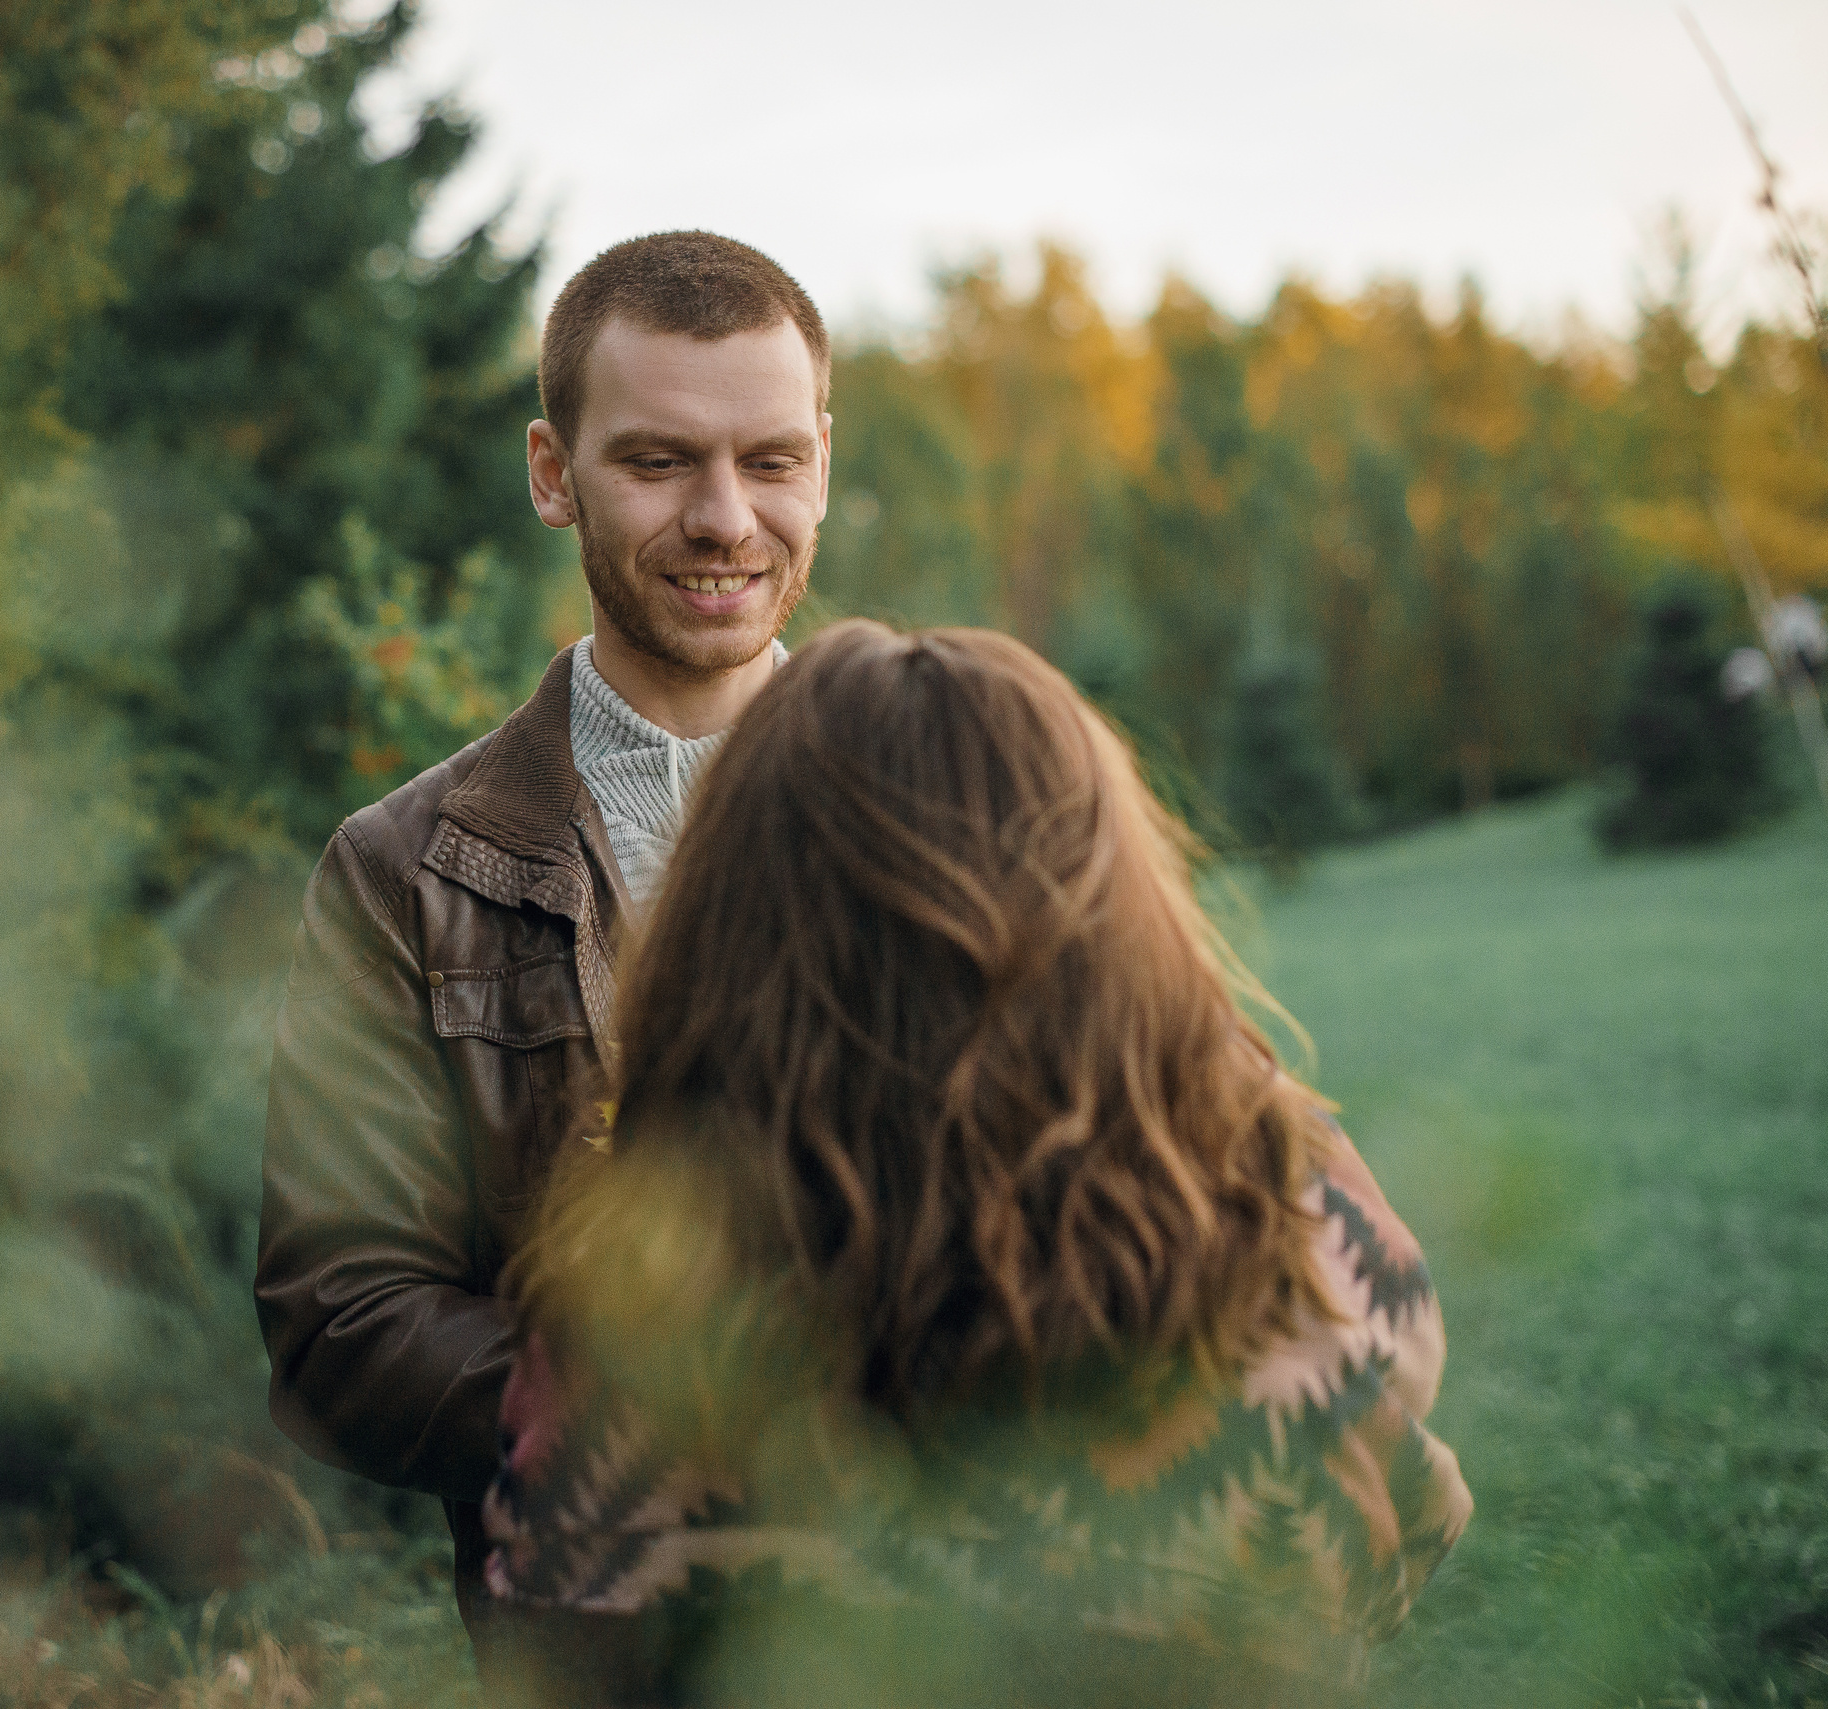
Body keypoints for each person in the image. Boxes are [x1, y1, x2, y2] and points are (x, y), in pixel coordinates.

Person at [486, 622, 1473, 1708]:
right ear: (1116, 920)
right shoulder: (1287, 1262)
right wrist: (1204, 1066)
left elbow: (542, 1612)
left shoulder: (612, 1337)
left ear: (720, 937)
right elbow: (1407, 1502)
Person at [252, 231, 834, 1651]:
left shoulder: (964, 811)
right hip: (592, 1657)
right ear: (550, 472)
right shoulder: (399, 871)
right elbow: (342, 1325)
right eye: (658, 462)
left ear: (823, 456)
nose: (724, 519)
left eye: (770, 460)